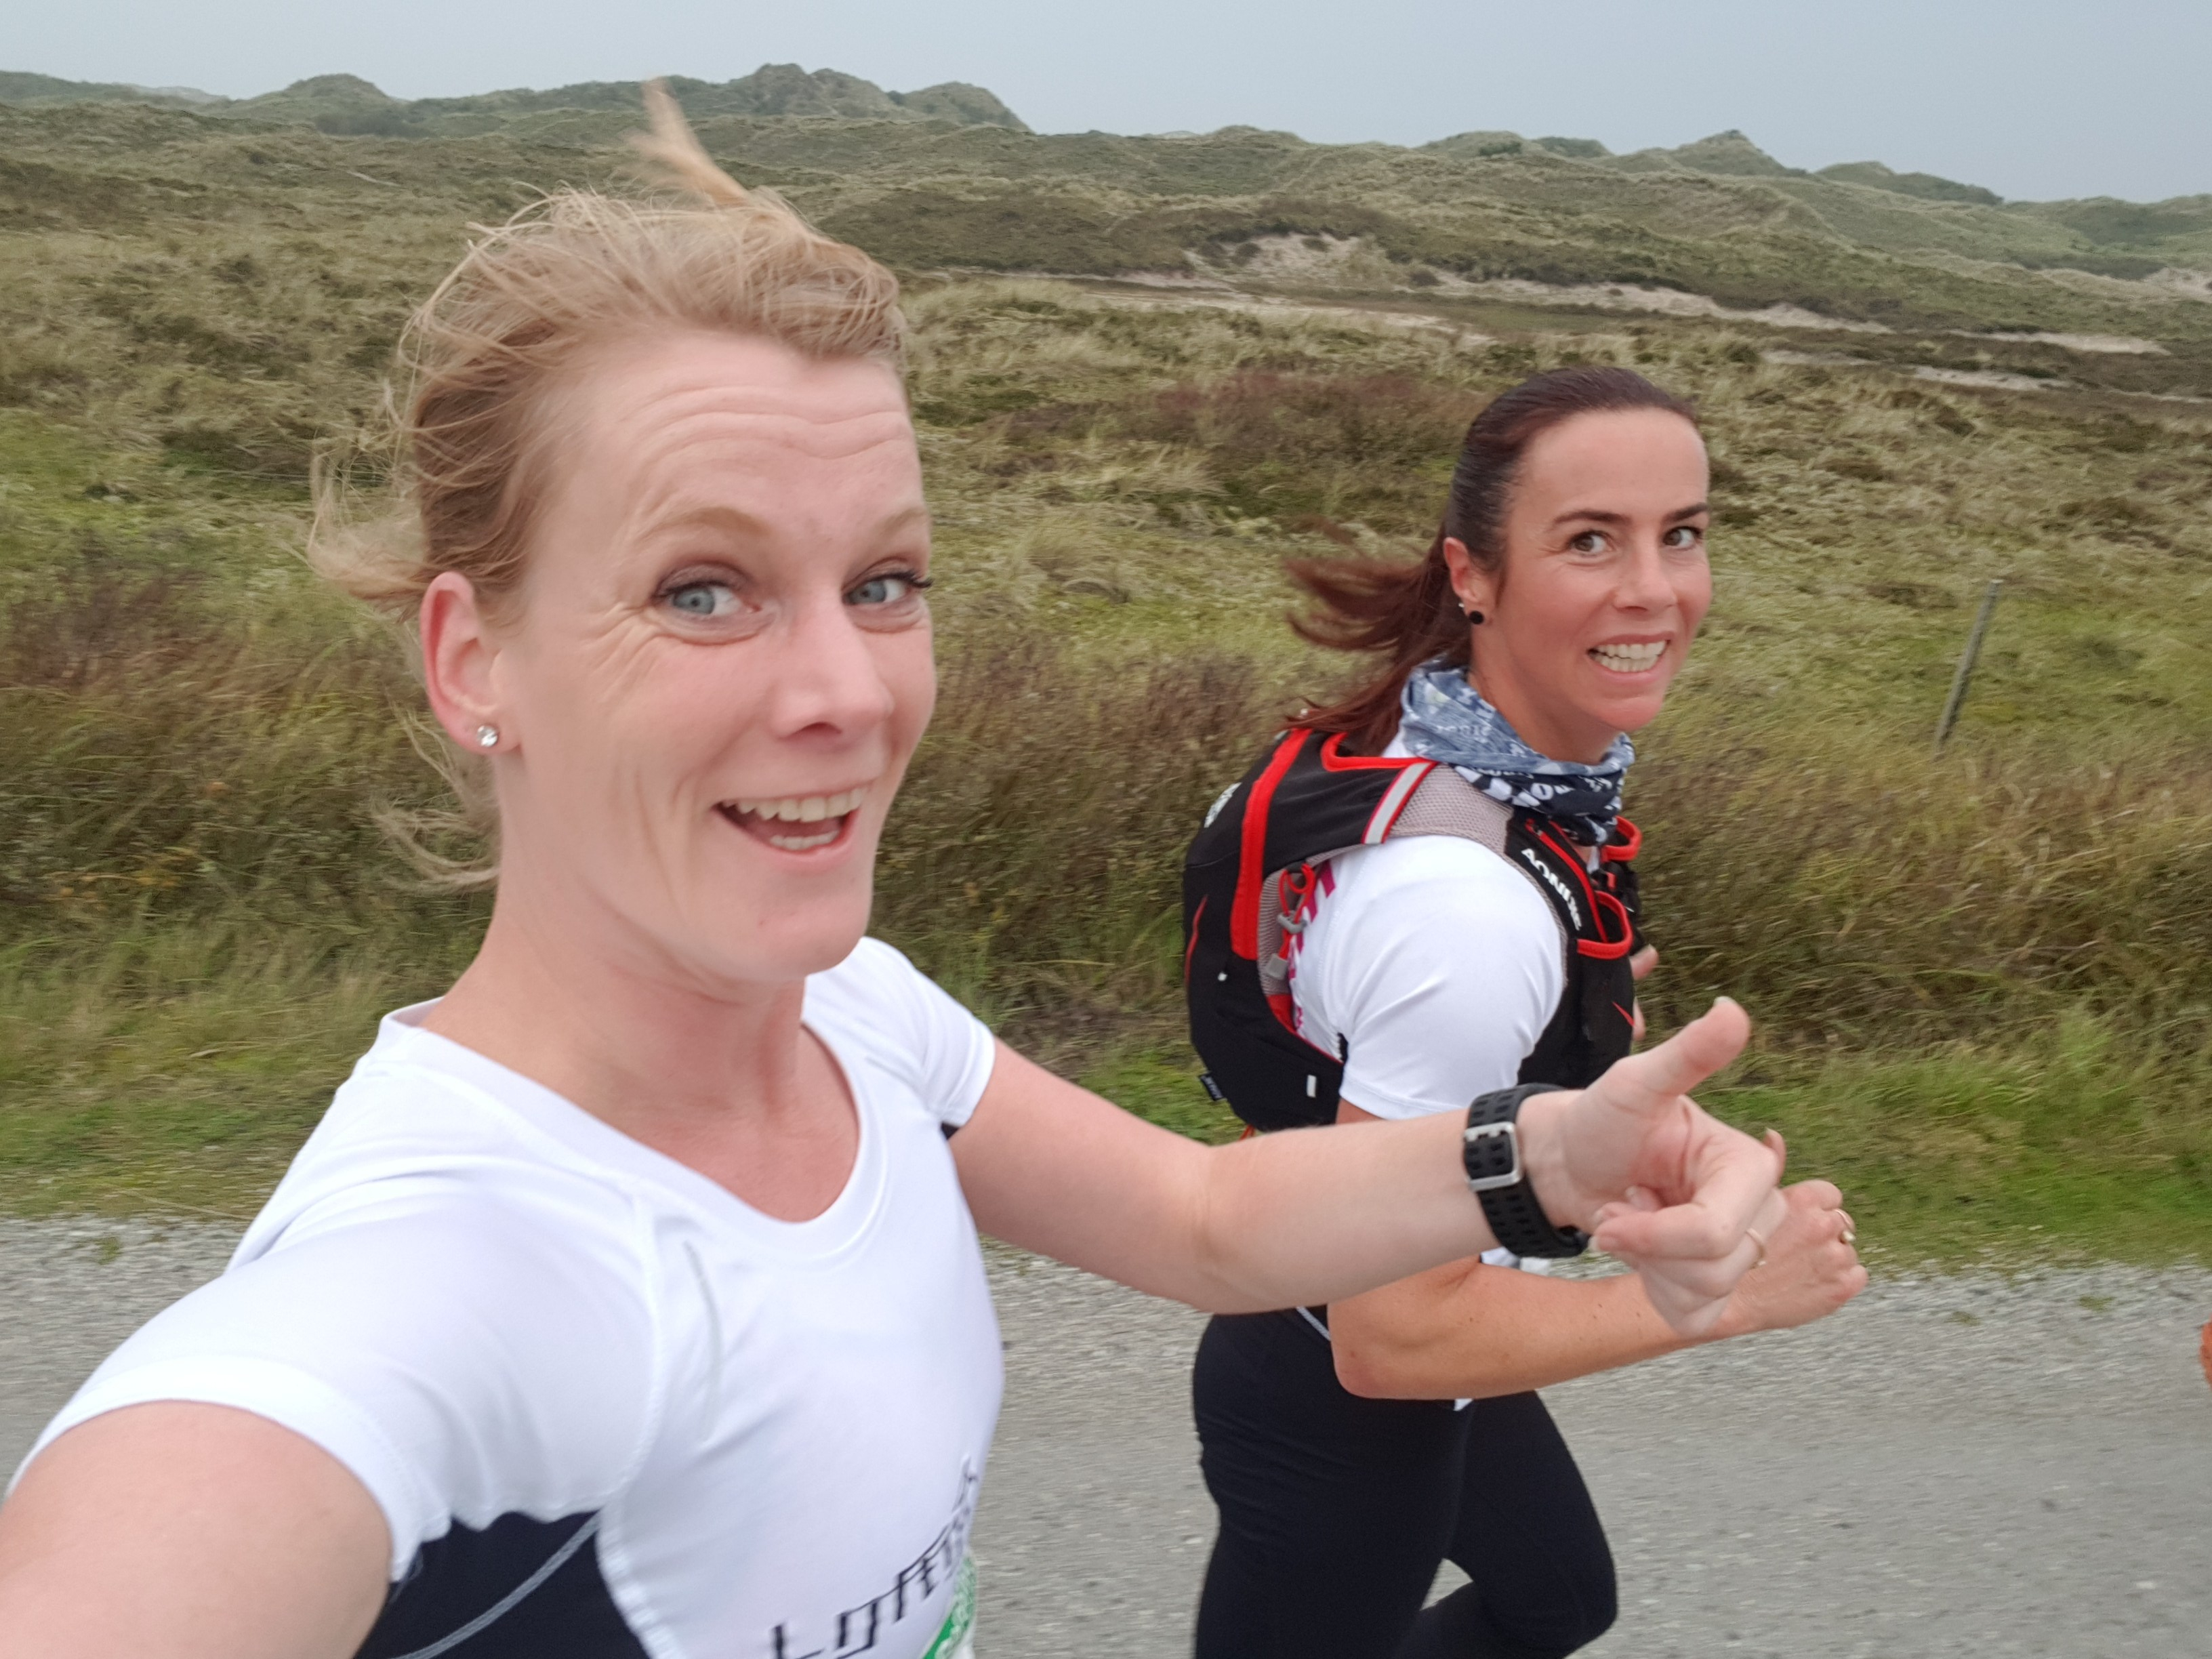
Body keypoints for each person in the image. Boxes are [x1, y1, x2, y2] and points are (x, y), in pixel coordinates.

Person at [0, 101, 1787, 1659]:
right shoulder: (441, 1284)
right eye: (702, 590)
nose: (847, 694)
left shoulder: (849, 1013)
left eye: (884, 583)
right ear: (476, 660)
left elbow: (1203, 1223)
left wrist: (1551, 1153)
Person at [1181, 365, 1868, 1659]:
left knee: (1560, 1600)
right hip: (1343, 1391)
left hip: (1345, 1274)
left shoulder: (1431, 747)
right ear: (1473, 574)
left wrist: (1563, 1046)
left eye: (1683, 533)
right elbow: (1393, 1339)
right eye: (1590, 540)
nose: (1653, 588)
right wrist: (1725, 1298)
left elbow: (1381, 1005)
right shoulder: (1467, 909)